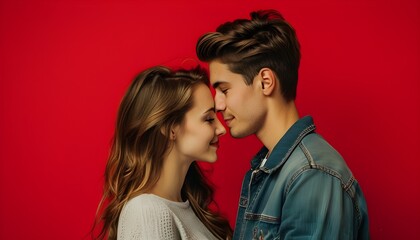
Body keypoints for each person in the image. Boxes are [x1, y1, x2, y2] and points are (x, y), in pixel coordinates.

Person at [196, 9, 369, 240]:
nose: (217, 104)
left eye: (224, 89)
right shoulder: (268, 169)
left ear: (265, 82)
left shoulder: (311, 175)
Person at [93, 66, 233, 240]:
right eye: (209, 119)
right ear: (170, 129)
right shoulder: (147, 212)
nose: (221, 129)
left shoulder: (188, 209)